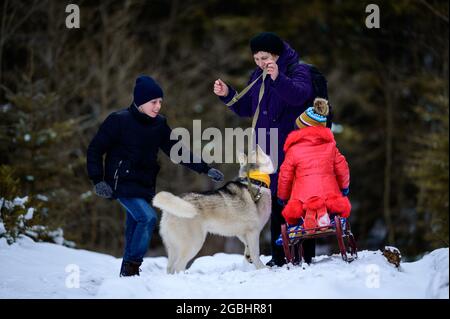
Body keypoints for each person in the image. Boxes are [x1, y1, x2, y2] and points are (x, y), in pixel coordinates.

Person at [87, 75, 224, 277]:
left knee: (134, 225)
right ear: (141, 101)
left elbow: (177, 150)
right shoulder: (118, 121)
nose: (158, 106)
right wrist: (97, 179)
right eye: (153, 102)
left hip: (144, 185)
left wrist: (204, 168)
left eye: (160, 101)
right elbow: (95, 150)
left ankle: (126, 277)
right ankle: (132, 267)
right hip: (120, 183)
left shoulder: (159, 124)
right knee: (147, 218)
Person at [213, 32, 315, 267]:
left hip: (292, 146)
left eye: (264, 57)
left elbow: (299, 96)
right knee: (272, 200)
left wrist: (278, 78)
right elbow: (246, 107)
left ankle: (303, 254)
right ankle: (280, 256)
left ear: (277, 55)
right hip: (265, 148)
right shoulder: (258, 75)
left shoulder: (298, 70)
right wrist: (227, 93)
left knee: (295, 199)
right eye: (256, 58)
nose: (260, 63)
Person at [277, 98, 351, 242]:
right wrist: (344, 187)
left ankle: (308, 220)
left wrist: (283, 197)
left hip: (301, 198)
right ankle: (324, 217)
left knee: (301, 207)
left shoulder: (293, 150)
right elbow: (343, 168)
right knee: (329, 203)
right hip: (329, 194)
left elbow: (285, 176)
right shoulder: (331, 147)